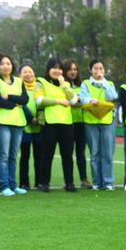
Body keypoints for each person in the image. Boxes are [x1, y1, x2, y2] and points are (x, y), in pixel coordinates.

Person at [35, 58, 77, 192]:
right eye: (54, 68)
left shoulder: (66, 85)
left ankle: (69, 183)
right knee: (47, 154)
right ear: (48, 69)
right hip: (49, 123)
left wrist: (64, 85)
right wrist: (58, 101)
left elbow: (75, 100)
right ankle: (44, 183)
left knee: (67, 156)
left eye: (60, 69)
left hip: (66, 123)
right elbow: (39, 100)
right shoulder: (41, 82)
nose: (57, 71)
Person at [0, 53, 28, 196]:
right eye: (2, 64)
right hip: (2, 122)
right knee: (3, 155)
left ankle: (13, 185)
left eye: (8, 63)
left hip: (18, 122)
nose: (6, 66)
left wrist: (10, 97)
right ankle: (3, 186)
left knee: (13, 155)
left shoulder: (19, 81)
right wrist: (14, 104)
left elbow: (24, 99)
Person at [80, 59, 118, 191]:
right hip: (91, 121)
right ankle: (97, 182)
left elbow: (112, 96)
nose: (98, 71)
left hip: (107, 121)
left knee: (107, 153)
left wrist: (104, 84)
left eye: (101, 68)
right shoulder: (85, 83)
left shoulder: (109, 83)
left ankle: (108, 182)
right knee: (95, 153)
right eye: (96, 69)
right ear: (90, 70)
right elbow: (82, 97)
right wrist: (91, 100)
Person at [62, 59, 90, 189]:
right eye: (70, 70)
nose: (73, 72)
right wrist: (77, 101)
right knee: (67, 153)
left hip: (82, 122)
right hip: (68, 122)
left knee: (81, 152)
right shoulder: (62, 86)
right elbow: (74, 101)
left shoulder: (83, 85)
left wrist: (76, 101)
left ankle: (84, 179)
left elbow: (80, 102)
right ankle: (68, 180)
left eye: (75, 69)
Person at [18, 63, 42, 190]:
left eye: (30, 71)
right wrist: (30, 118)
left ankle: (39, 182)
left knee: (39, 156)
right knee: (25, 157)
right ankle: (24, 183)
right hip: (25, 128)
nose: (28, 74)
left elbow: (42, 102)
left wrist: (40, 118)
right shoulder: (18, 88)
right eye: (25, 72)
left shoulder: (39, 87)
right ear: (20, 75)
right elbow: (20, 104)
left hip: (39, 127)